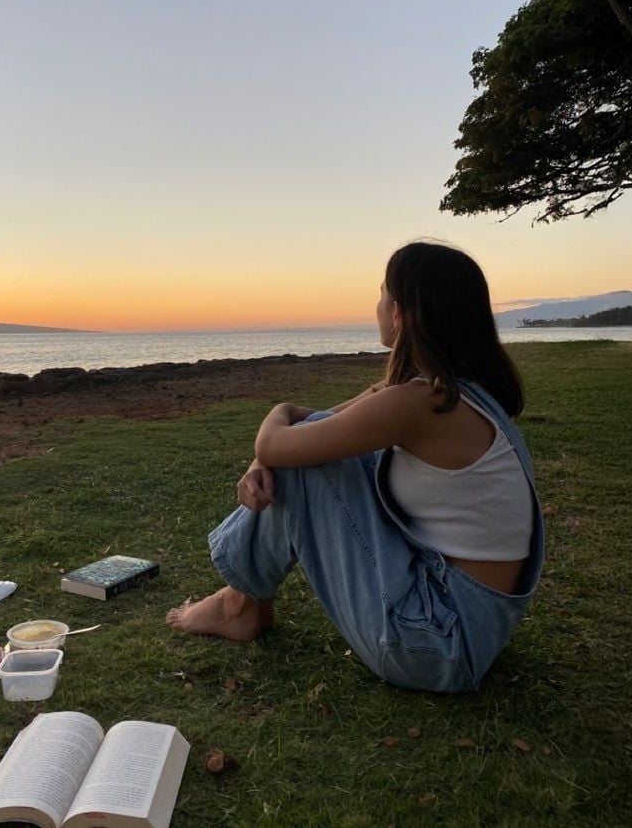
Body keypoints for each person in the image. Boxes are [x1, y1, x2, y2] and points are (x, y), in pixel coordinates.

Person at [166, 240, 544, 693]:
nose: (377, 305)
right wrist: (267, 455)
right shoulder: (457, 393)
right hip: (465, 632)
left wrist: (279, 416)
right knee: (319, 445)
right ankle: (239, 601)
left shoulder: (422, 403)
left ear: (401, 312)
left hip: (436, 646)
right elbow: (323, 424)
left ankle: (236, 604)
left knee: (313, 459)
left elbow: (281, 440)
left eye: (383, 293)